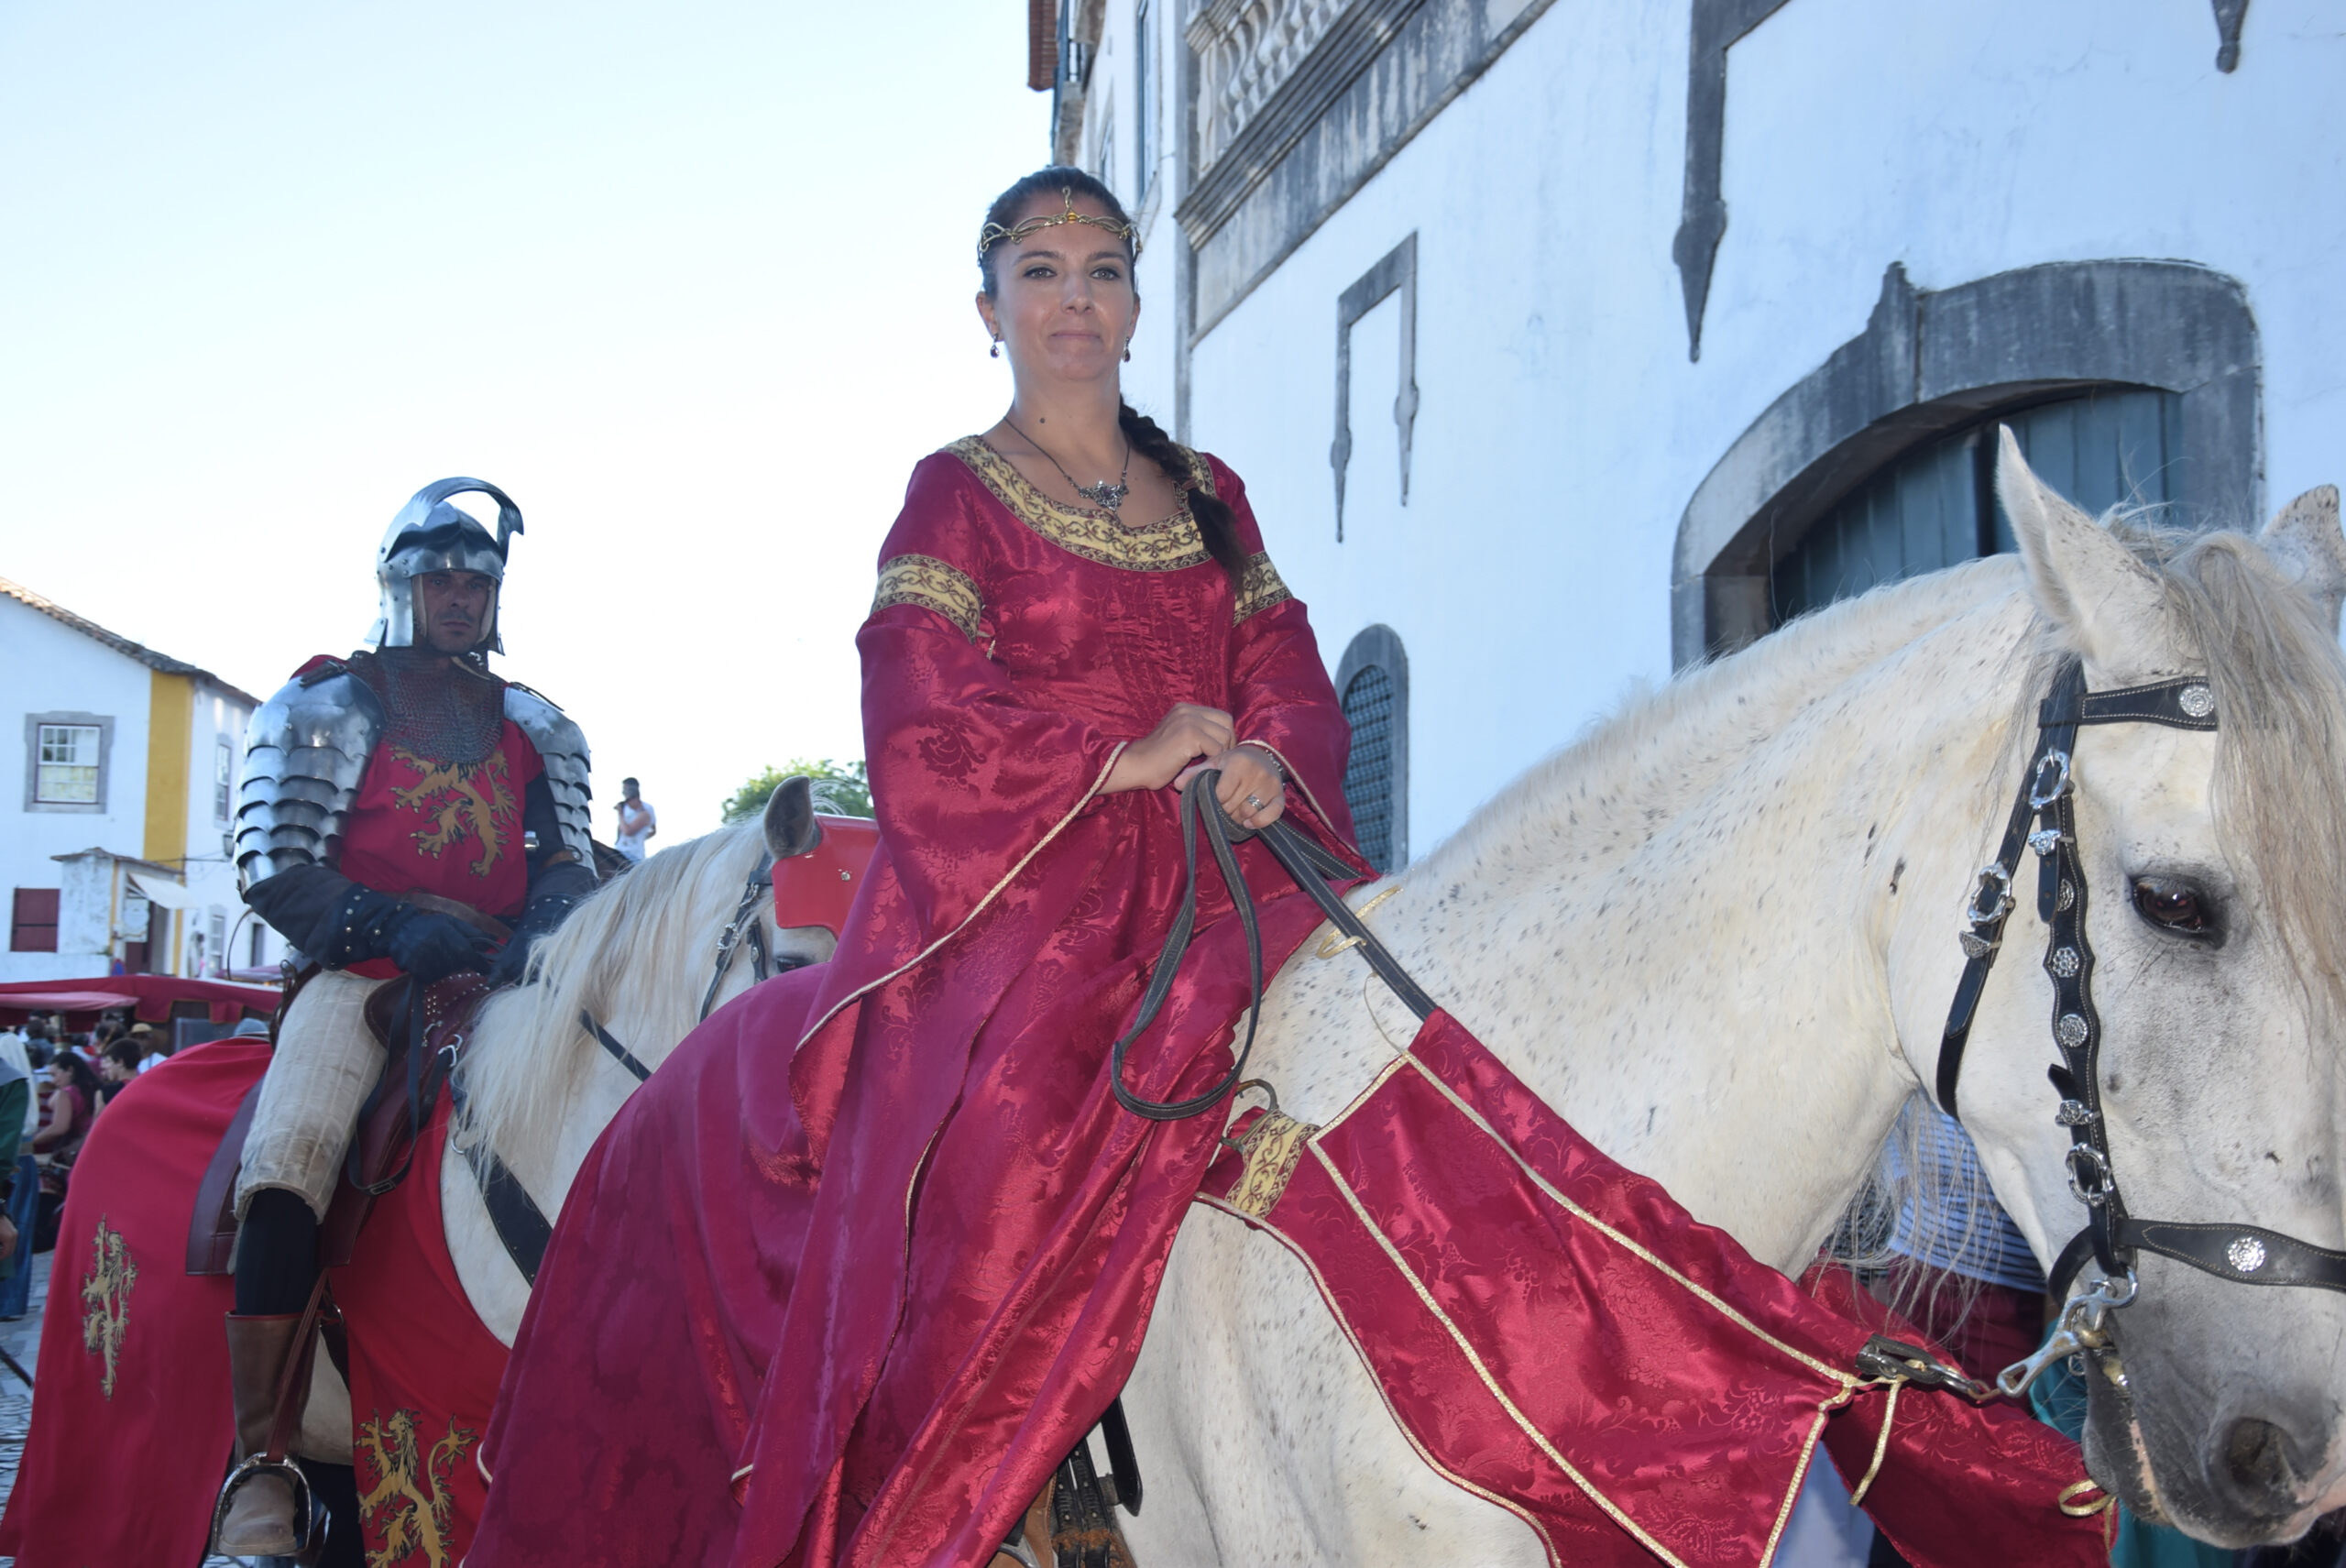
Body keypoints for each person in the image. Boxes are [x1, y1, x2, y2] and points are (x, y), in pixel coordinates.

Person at [471, 168, 1362, 1568]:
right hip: (1025, 892)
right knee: (1007, 1135)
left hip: (1237, 866)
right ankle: (1002, 1493)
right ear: (990, 311)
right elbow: (918, 710)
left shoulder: (1212, 495)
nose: (1075, 299)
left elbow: (1287, 665)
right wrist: (1122, 758)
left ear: (1137, 302)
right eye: (1041, 273)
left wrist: (1269, 750)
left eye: (1103, 270)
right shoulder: (953, 493)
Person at [214, 477, 597, 1555]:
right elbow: (273, 863)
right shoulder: (326, 705)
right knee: (291, 1155)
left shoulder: (536, 725)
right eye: (442, 581)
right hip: (364, 981)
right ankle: (265, 1463)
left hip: (498, 980)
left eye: (478, 583)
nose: (461, 598)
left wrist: (547, 916)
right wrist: (384, 920)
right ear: (401, 588)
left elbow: (567, 858)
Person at [612, 776, 656, 862]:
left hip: (633, 856)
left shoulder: (646, 810)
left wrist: (621, 814)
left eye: (625, 788)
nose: (623, 792)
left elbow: (628, 831)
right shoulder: (625, 807)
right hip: (619, 851)